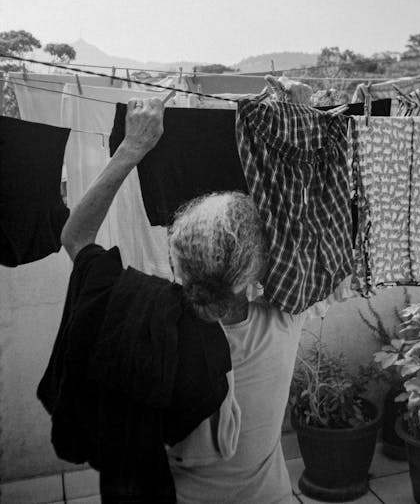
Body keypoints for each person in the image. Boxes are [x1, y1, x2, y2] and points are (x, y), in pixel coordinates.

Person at [60, 96, 306, 504]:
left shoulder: (142, 318)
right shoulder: (287, 317)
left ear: (175, 260)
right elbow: (307, 229)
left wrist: (133, 147)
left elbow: (75, 238)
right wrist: (298, 119)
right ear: (259, 268)